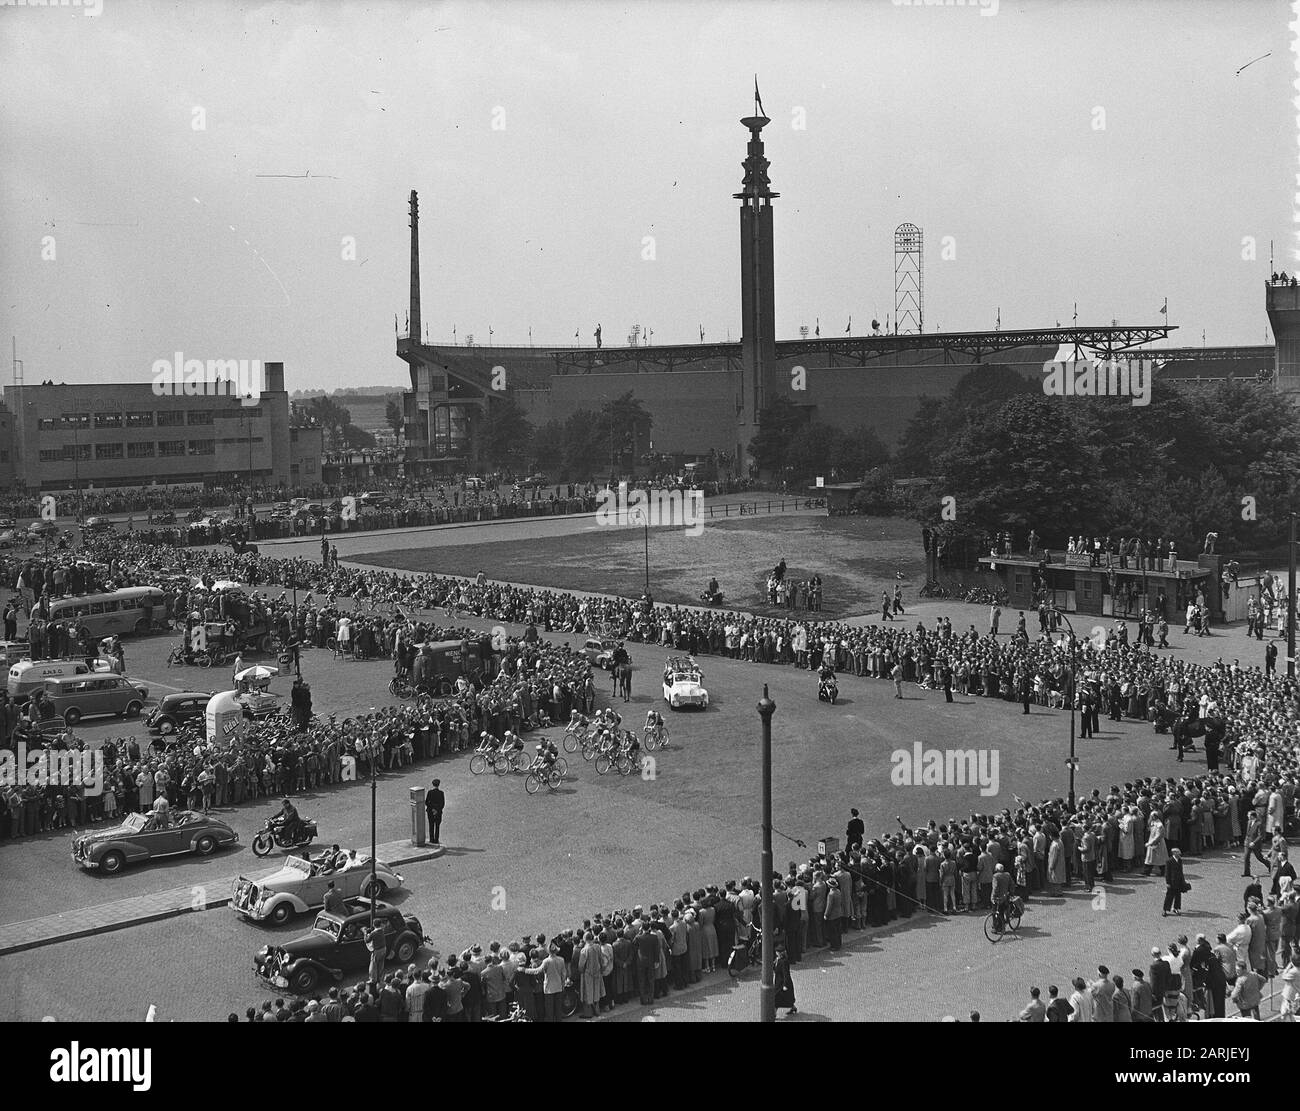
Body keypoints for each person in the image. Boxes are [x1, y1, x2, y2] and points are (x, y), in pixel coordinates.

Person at [774, 941, 797, 1015]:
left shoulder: (783, 962)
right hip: (778, 982)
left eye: (777, 952)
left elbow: (786, 974)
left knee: (777, 998)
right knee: (786, 998)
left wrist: (785, 985)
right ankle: (792, 1007)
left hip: (782, 982)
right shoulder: (777, 960)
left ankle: (774, 1013)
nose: (776, 953)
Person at [1164, 848, 1185, 916]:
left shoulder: (1180, 860)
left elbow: (1181, 871)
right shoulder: (1169, 861)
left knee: (1178, 896)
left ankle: (1176, 908)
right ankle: (1165, 910)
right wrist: (1168, 882)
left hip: (1178, 881)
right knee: (1169, 896)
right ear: (1174, 853)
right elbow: (1167, 873)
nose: (1179, 854)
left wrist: (1183, 881)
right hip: (1172, 882)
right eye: (1178, 853)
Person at [425, 779, 445, 845]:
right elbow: (442, 804)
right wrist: (437, 810)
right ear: (438, 785)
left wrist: (432, 809)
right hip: (438, 812)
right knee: (437, 826)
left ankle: (431, 839)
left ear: (432, 784)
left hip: (430, 811)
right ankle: (436, 839)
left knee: (431, 825)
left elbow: (426, 802)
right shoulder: (441, 793)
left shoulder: (430, 792)